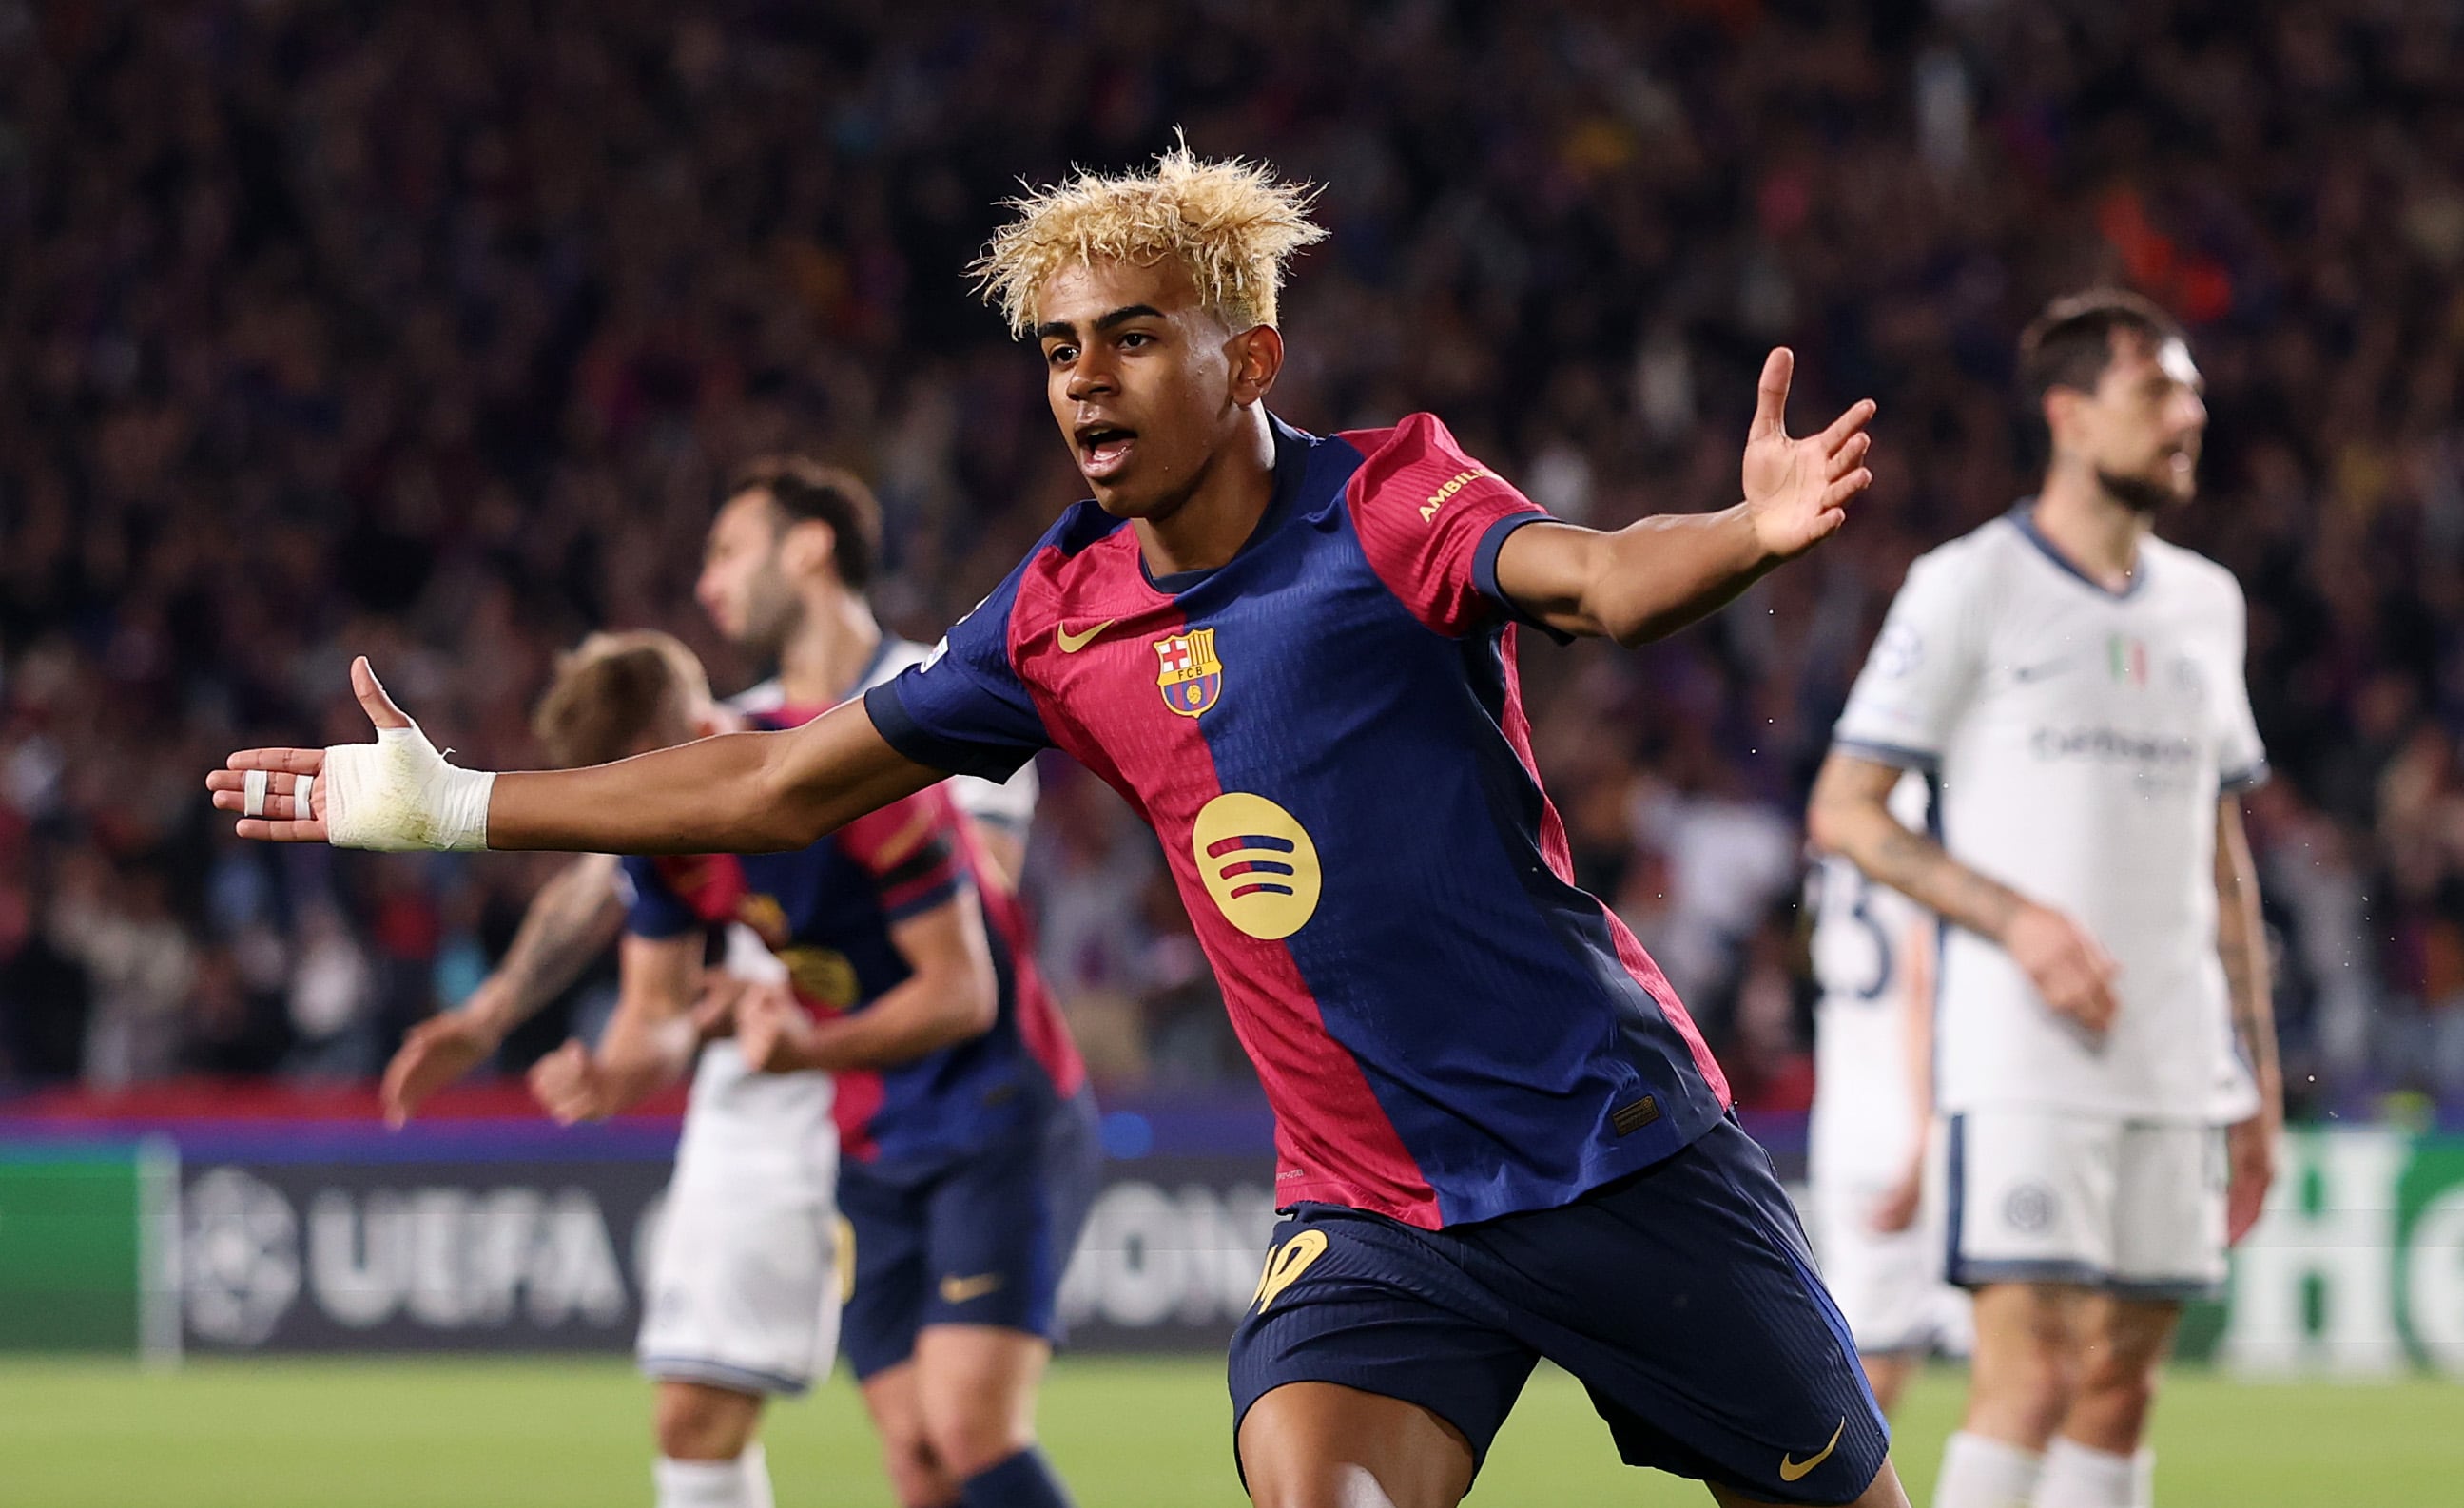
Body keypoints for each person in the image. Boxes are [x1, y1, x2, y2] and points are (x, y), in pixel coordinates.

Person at [213, 144, 1904, 1508]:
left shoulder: (1387, 503)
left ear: (1249, 359)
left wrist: (1741, 535)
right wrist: (455, 803)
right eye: (1056, 349)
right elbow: (771, 782)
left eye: (1133, 337)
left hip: (1614, 1147)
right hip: (1376, 1214)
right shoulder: (1056, 615)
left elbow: (1597, 578)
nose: (1084, 381)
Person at [378, 459, 1039, 1508]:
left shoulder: (942, 692)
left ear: (807, 549)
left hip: (913, 1066)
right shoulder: (732, 731)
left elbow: (976, 903)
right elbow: (602, 879)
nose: (706, 584)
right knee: (693, 1410)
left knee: (932, 1444)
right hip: (760, 1087)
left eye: (727, 552)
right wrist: (494, 1010)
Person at [1807, 290, 2280, 1508]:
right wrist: (2015, 919)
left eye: (2190, 392)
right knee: (2029, 1374)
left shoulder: (2205, 602)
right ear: (2067, 414)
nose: (2188, 414)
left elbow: (2220, 855)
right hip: (2023, 1058)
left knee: (2120, 1384)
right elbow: (1844, 809)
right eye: (2156, 390)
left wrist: (2256, 1079)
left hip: (2175, 1057)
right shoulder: (1967, 582)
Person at [520, 630, 1097, 1508]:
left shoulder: (850, 774)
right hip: (869, 1139)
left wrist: (806, 1049)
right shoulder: (657, 831)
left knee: (969, 1430)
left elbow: (961, 995)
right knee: (918, 1457)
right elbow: (657, 1017)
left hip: (996, 1114)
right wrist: (611, 1077)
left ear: (695, 733)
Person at [1802, 773, 1969, 1415]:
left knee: (1873, 1361)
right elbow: (1927, 971)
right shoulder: (1934, 800)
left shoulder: (1844, 803)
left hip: (1849, 1109)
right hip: (1917, 1114)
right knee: (2025, 1357)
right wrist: (1926, 1137)